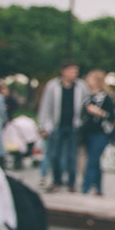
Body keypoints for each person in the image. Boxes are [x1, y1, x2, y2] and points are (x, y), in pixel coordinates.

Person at [37, 60, 88, 193]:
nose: (74, 73)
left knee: (72, 155)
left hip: (74, 125)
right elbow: (45, 106)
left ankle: (71, 182)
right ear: (63, 71)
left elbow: (85, 106)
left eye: (76, 71)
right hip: (56, 125)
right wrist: (43, 126)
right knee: (54, 155)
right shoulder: (53, 86)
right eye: (72, 70)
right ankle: (56, 181)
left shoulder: (81, 86)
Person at [80, 70, 115, 196]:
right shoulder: (88, 96)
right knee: (95, 162)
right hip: (88, 133)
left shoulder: (105, 98)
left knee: (92, 161)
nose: (87, 80)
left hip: (100, 134)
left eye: (90, 78)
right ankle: (99, 189)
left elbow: (111, 116)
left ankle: (85, 189)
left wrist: (98, 112)